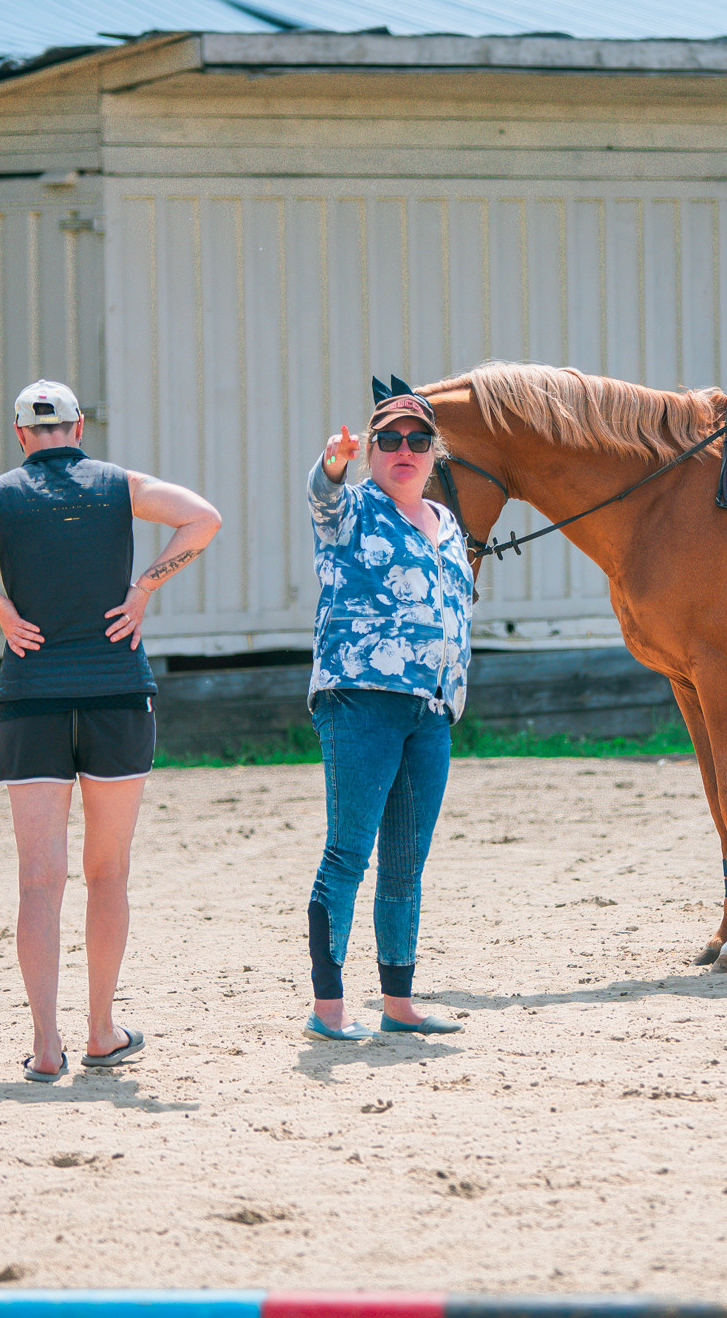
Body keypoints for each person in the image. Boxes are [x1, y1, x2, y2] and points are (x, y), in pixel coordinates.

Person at [0, 379, 222, 1082]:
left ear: (21, 436)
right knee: (107, 874)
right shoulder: (119, 485)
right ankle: (102, 1032)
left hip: (31, 701)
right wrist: (145, 588)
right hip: (115, 695)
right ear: (79, 426)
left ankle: (46, 1046)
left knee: (38, 883)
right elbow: (203, 518)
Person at [300, 387, 474, 1042]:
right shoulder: (350, 510)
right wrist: (332, 463)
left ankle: (399, 1002)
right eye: (390, 441)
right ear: (371, 451)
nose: (405, 451)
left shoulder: (448, 523)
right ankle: (329, 1009)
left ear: (434, 453)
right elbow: (321, 493)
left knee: (406, 863)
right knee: (347, 852)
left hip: (430, 712)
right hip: (360, 701)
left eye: (418, 441)